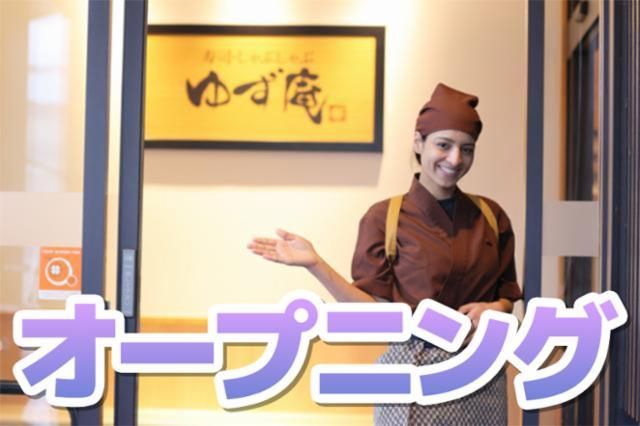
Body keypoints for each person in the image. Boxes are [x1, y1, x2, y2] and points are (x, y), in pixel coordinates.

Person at [248, 83, 523, 425]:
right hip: (413, 375)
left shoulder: (491, 217)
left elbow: (507, 294)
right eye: (443, 145)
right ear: (419, 143)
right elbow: (371, 312)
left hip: (480, 374)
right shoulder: (384, 218)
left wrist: (496, 308)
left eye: (466, 149)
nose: (455, 159)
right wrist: (315, 265)